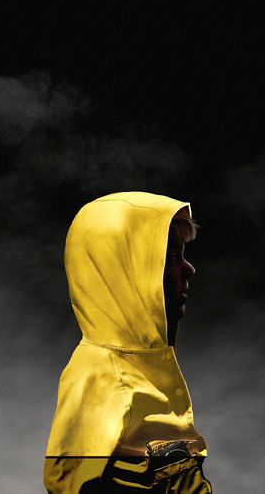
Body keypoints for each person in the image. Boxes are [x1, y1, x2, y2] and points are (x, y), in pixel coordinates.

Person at [44, 191, 212, 493]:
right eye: (172, 258)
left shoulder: (144, 362)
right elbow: (67, 484)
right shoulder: (99, 376)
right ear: (122, 274)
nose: (189, 269)